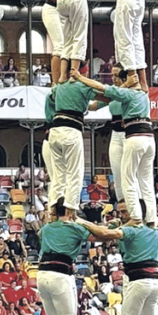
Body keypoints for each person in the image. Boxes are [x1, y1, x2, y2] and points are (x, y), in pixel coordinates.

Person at [71, 66, 154, 226]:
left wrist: (81, 78)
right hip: (117, 134)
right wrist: (77, 101)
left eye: (116, 75)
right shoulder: (119, 91)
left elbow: (110, 90)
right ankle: (125, 209)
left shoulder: (131, 92)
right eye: (112, 75)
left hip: (130, 133)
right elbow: (95, 105)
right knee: (118, 175)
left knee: (132, 177)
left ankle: (139, 213)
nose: (113, 78)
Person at [78, 211, 158, 315]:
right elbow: (156, 219)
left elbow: (103, 233)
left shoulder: (131, 230)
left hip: (138, 278)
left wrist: (80, 220)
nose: (121, 214)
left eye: (125, 211)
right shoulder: (154, 230)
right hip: (155, 281)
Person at [36, 214, 90, 315]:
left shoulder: (47, 227)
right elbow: (97, 236)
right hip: (60, 273)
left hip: (42, 273)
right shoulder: (73, 228)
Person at [45, 76, 99, 216]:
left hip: (53, 134)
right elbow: (99, 97)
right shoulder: (76, 88)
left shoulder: (57, 90)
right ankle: (70, 212)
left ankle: (53, 211)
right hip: (70, 130)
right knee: (75, 175)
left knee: (58, 178)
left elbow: (92, 106)